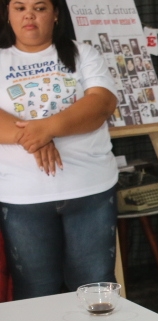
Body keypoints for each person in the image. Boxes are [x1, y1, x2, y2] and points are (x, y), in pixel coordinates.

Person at [0, 0, 118, 299]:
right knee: (35, 294)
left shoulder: (83, 53)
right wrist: (39, 136)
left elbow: (101, 104)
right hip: (22, 197)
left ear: (55, 14)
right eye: (19, 7)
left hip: (90, 191)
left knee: (96, 290)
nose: (29, 15)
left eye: (40, 8)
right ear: (8, 14)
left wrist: (47, 129)